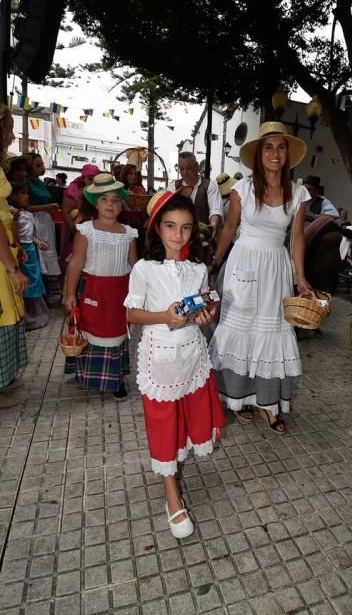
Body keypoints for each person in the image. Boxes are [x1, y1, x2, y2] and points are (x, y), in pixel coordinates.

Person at [125, 190, 225, 538]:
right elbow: (132, 312)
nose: (178, 235)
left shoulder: (198, 268)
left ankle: (177, 462)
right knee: (164, 419)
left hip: (192, 354)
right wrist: (164, 317)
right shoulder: (143, 268)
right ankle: (172, 494)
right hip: (160, 358)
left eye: (185, 228)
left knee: (187, 410)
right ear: (156, 228)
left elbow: (202, 305)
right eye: (170, 226)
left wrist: (202, 315)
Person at [208, 121, 312, 434]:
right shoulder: (243, 188)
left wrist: (301, 277)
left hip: (275, 267)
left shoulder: (299, 193)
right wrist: (214, 262)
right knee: (239, 331)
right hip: (242, 263)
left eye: (281, 147)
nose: (275, 153)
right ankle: (237, 399)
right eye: (269, 147)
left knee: (271, 334)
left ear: (288, 154)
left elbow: (296, 238)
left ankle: (269, 405)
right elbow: (228, 228)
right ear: (259, 153)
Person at [64, 173, 138, 399]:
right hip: (94, 290)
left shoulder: (129, 233)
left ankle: (116, 379)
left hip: (120, 293)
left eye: (115, 200)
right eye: (104, 199)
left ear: (121, 204)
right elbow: (76, 263)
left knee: (117, 332)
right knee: (91, 329)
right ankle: (87, 373)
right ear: (95, 202)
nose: (110, 204)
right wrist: (69, 294)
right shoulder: (86, 230)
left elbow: (134, 265)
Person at [0, 106, 29, 409]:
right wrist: (10, 267)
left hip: (5, 245)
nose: (10, 137)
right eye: (7, 130)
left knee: (9, 312)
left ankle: (3, 378)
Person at [7, 182, 49, 331]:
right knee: (28, 279)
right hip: (23, 250)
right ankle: (30, 316)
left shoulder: (25, 213)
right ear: (12, 196)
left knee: (35, 278)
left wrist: (38, 242)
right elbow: (15, 234)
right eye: (22, 194)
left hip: (30, 249)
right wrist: (19, 247)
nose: (27, 196)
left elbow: (30, 234)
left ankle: (36, 314)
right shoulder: (14, 214)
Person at [25, 153, 62, 303]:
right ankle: (41, 294)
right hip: (35, 221)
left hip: (45, 221)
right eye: (37, 165)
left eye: (42, 164)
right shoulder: (27, 184)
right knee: (41, 254)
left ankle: (49, 292)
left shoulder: (38, 182)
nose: (42, 168)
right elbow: (26, 207)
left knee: (49, 253)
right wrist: (48, 206)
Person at [169, 152, 223, 239]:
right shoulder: (173, 187)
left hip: (202, 237)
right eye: (181, 169)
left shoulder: (209, 185)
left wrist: (213, 225)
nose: (185, 172)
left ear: (197, 166)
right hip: (179, 236)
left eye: (189, 168)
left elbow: (215, 209)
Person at [60, 164, 101, 267]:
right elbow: (65, 212)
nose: (93, 183)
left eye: (95, 180)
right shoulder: (73, 190)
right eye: (90, 179)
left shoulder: (99, 190)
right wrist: (75, 232)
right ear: (84, 179)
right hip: (75, 229)